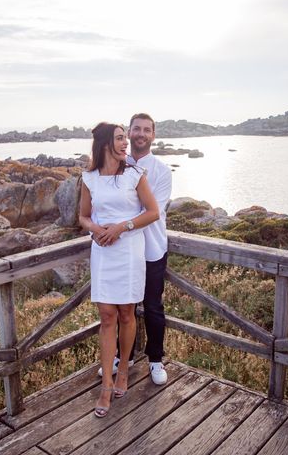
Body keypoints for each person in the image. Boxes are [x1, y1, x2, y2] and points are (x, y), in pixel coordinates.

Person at [79, 122, 159, 418]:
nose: (126, 142)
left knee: (126, 313)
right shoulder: (89, 178)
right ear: (104, 145)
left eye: (126, 137)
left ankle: (124, 369)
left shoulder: (135, 174)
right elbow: (83, 216)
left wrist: (121, 227)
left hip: (128, 250)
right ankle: (106, 385)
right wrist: (96, 228)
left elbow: (153, 212)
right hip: (102, 251)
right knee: (106, 315)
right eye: (120, 138)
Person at [98, 113, 172, 385]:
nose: (141, 134)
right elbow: (105, 203)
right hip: (123, 251)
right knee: (120, 308)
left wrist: (116, 228)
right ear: (128, 133)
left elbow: (150, 212)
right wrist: (103, 228)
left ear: (153, 135)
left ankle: (155, 359)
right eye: (136, 129)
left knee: (152, 307)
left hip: (151, 248)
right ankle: (122, 357)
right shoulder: (115, 165)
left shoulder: (162, 171)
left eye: (146, 130)